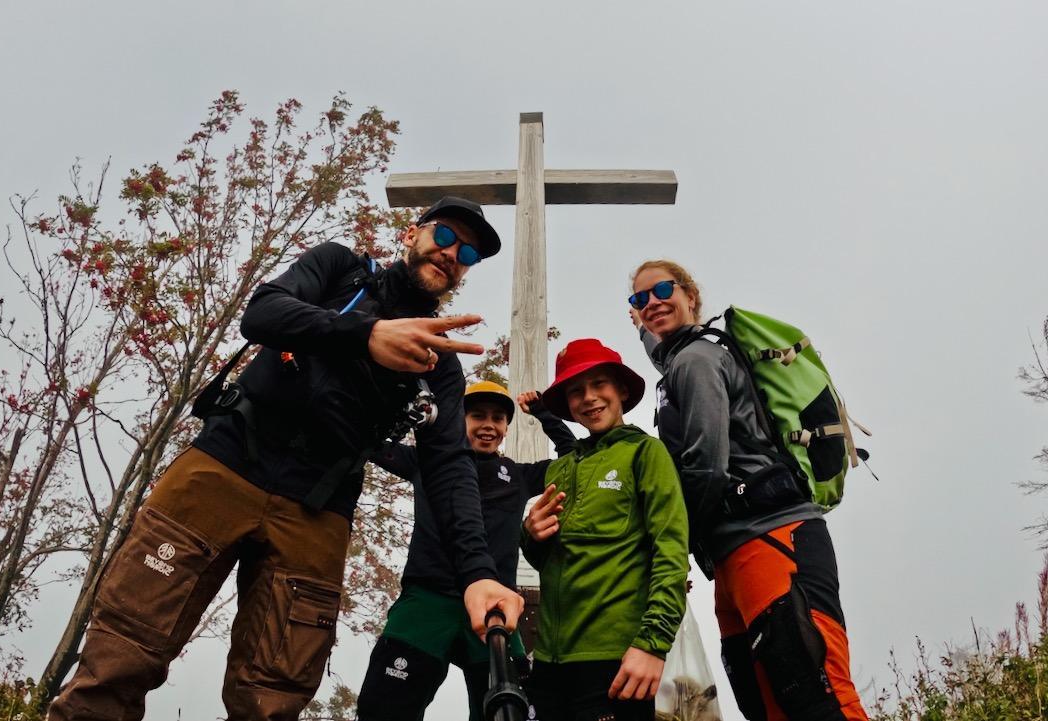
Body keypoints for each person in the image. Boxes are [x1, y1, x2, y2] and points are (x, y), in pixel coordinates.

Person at [47, 196, 525, 721]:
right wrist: (365, 335)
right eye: (445, 237)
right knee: (121, 653)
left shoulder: (441, 368)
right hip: (223, 467)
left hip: (319, 509)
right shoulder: (339, 268)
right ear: (413, 233)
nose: (454, 254)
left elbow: (450, 469)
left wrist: (479, 574)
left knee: (274, 693)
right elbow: (264, 312)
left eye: (470, 254)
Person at [629, 259, 868, 721]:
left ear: (691, 296)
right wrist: (644, 327)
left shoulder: (697, 359)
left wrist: (672, 547)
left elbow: (706, 463)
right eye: (641, 300)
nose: (653, 303)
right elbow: (663, 352)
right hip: (735, 556)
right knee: (770, 704)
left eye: (663, 290)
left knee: (817, 697)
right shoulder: (681, 359)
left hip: (773, 541)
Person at [354, 381, 577, 721]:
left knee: (513, 712)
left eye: (498, 418)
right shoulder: (427, 461)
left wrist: (544, 414)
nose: (489, 425)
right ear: (459, 420)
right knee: (383, 708)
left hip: (495, 608)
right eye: (477, 416)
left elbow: (575, 459)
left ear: (505, 428)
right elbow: (366, 440)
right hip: (428, 600)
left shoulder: (516, 476)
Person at [522, 338, 688, 721]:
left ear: (622, 390)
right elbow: (545, 559)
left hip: (616, 663)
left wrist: (653, 643)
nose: (589, 398)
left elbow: (671, 551)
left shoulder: (646, 453)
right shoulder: (560, 468)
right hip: (548, 663)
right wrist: (530, 534)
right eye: (576, 391)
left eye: (599, 385)